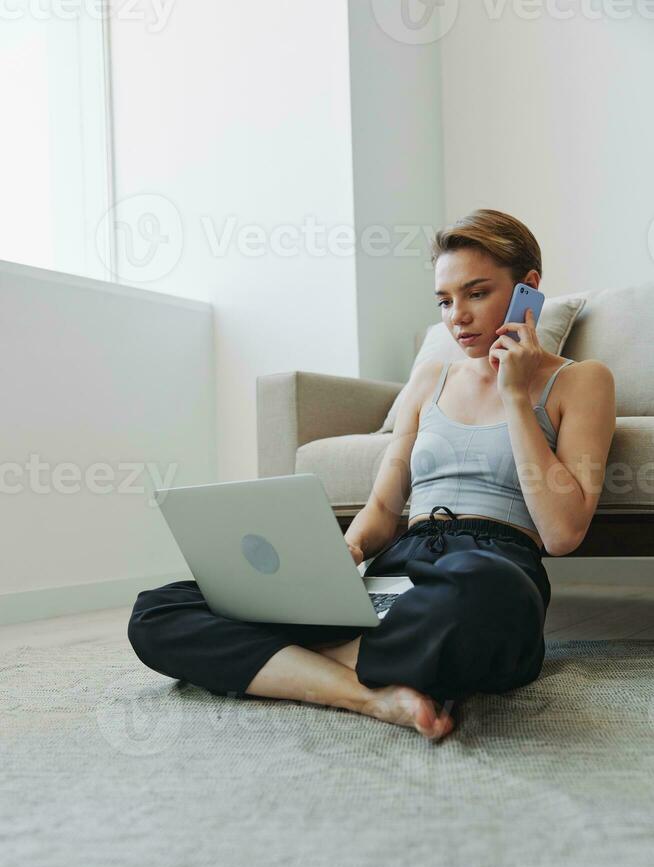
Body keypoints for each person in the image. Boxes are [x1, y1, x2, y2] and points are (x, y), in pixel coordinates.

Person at [127, 209, 616, 743]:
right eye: (445, 301)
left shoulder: (582, 382)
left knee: (489, 593)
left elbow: (563, 532)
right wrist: (345, 556)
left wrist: (516, 395)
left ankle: (292, 659)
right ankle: (367, 695)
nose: (457, 317)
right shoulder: (430, 378)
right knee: (159, 610)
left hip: (488, 570)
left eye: (476, 293)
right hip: (401, 569)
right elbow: (384, 511)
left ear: (530, 290)